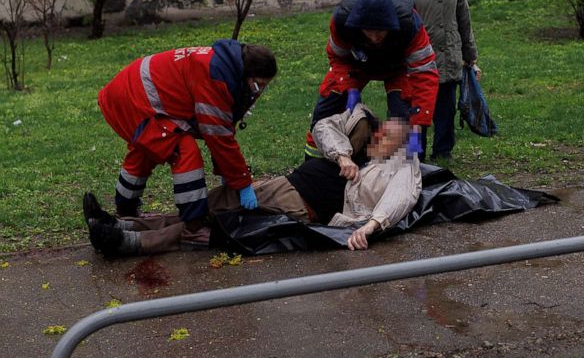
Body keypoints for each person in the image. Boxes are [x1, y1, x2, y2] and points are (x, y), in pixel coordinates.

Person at [86, 105, 422, 254]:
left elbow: (400, 199)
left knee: (214, 224)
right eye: (381, 131)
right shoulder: (360, 130)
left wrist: (370, 226)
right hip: (284, 184)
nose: (379, 137)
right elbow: (324, 127)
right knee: (204, 207)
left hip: (298, 204)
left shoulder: (403, 166)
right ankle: (123, 225)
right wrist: (344, 155)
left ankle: (129, 243)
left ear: (402, 144)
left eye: (389, 136)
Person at [94, 39, 276, 248]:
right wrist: (242, 182)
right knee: (183, 149)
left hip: (126, 93)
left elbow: (219, 127)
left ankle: (126, 213)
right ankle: (193, 228)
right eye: (258, 85)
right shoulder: (216, 77)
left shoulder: (225, 64)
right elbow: (218, 135)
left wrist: (228, 172)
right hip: (133, 99)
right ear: (245, 74)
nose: (259, 92)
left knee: (145, 149)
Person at [305, 0, 439, 160]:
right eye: (369, 31)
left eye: (381, 31)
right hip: (355, 66)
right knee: (325, 110)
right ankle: (313, 161)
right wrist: (349, 87)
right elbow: (338, 58)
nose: (375, 37)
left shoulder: (410, 27)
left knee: (405, 117)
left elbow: (425, 73)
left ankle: (413, 168)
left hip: (398, 69)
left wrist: (419, 122)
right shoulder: (342, 24)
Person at [394, 0, 479, 161]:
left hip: (449, 55)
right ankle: (415, 153)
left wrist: (470, 54)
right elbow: (397, 21)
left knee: (446, 109)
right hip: (419, 62)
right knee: (417, 111)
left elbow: (463, 16)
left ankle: (443, 151)